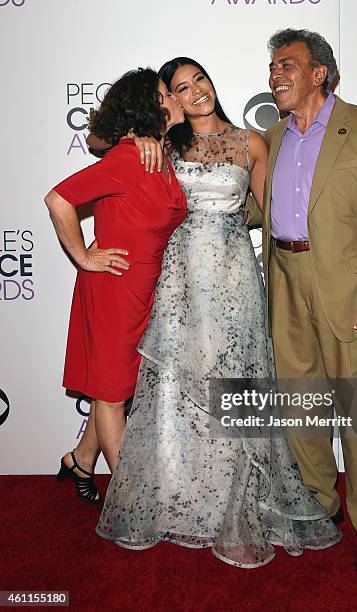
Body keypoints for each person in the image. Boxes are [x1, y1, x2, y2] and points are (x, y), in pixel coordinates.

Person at [91, 57, 342, 567]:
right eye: (181, 88)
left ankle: (236, 497)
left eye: (199, 79)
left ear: (211, 82)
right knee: (174, 387)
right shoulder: (163, 144)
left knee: (234, 380)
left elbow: (275, 213)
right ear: (170, 100)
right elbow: (100, 146)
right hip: (176, 280)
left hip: (233, 280)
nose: (195, 92)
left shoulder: (252, 143)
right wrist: (137, 138)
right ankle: (181, 496)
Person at [246, 29, 357, 578]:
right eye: (272, 66)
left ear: (319, 73)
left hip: (350, 288)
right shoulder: (270, 136)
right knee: (301, 405)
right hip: (286, 280)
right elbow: (251, 209)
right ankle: (319, 505)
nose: (275, 74)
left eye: (287, 64)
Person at [45, 68, 186, 503]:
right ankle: (133, 503)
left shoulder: (155, 155)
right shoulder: (129, 158)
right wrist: (84, 256)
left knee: (117, 387)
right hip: (113, 288)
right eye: (168, 92)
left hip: (141, 290)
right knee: (110, 396)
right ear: (153, 107)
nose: (177, 97)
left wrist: (149, 138)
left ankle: (80, 461)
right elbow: (59, 199)